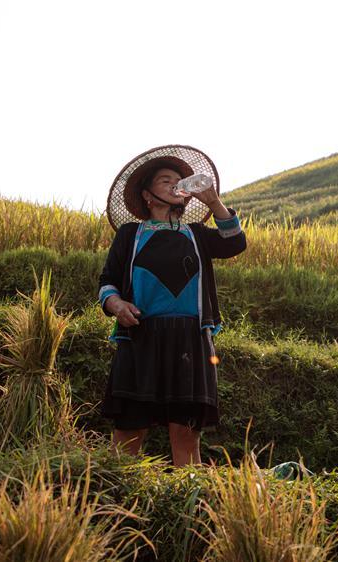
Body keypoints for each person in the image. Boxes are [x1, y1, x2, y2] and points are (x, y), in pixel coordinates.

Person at [98, 145, 246, 466]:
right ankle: (117, 499)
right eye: (166, 180)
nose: (175, 184)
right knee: (129, 431)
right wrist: (116, 304)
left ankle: (188, 503)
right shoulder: (130, 234)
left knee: (185, 432)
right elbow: (107, 281)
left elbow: (235, 242)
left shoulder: (197, 234)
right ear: (148, 195)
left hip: (190, 341)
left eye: (179, 180)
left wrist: (214, 201)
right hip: (140, 337)